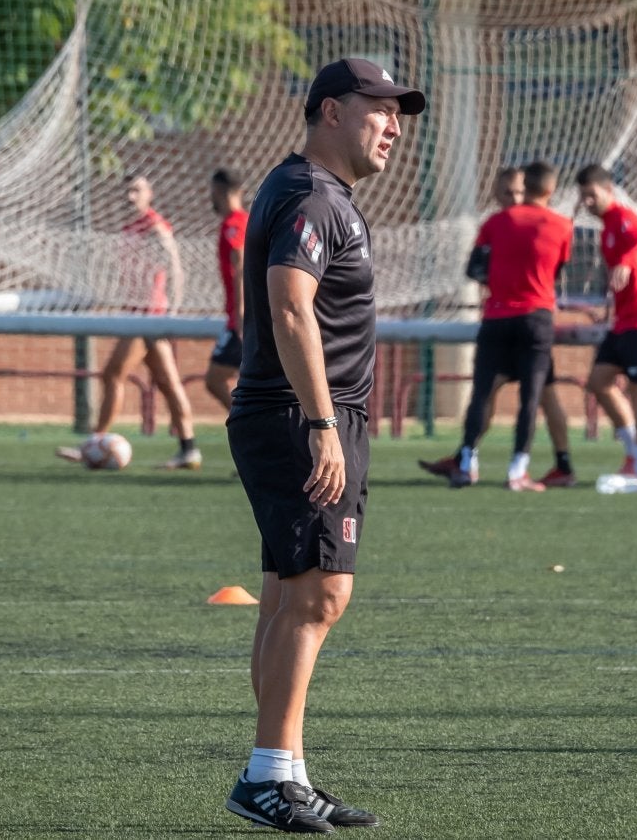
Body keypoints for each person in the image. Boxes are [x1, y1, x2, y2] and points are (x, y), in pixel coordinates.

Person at [224, 57, 423, 834]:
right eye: (380, 109)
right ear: (331, 111)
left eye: (399, 113)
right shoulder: (311, 194)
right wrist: (321, 424)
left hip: (293, 414)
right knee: (319, 595)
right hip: (300, 416)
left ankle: (287, 773)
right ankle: (267, 775)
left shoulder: (314, 192)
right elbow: (291, 307)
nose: (394, 126)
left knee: (288, 594)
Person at [418, 166, 578, 487]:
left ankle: (466, 463)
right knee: (532, 397)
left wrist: (501, 278)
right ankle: (518, 470)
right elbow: (557, 270)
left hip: (497, 317)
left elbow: (475, 268)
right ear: (551, 190)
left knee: (482, 393)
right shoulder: (562, 225)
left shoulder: (495, 223)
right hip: (536, 319)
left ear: (525, 187)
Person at [577, 164, 637, 491]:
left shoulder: (625, 218)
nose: (587, 202)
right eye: (583, 196)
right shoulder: (606, 228)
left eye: (592, 195)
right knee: (598, 381)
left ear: (609, 191)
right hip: (625, 320)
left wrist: (627, 264)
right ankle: (633, 451)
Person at [95, 174, 200, 469]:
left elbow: (174, 265)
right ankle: (189, 449)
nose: (130, 196)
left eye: (136, 190)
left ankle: (95, 442)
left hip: (148, 316)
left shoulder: (154, 225)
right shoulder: (129, 228)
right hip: (135, 314)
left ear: (149, 194)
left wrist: (172, 310)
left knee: (112, 374)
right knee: (167, 382)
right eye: (127, 190)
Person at [204, 168, 249, 414]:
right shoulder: (247, 220)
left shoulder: (234, 224)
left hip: (240, 319)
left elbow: (240, 264)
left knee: (215, 379)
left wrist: (240, 314)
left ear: (219, 191)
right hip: (243, 317)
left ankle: (247, 424)